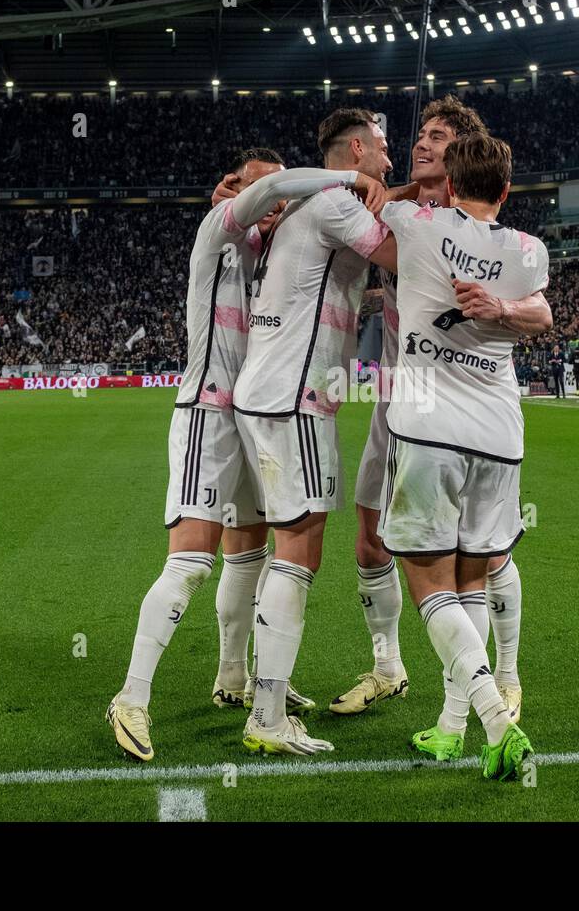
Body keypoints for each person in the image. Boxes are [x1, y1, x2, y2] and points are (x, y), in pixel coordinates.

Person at [105, 149, 389, 761]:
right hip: (207, 413)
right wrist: (349, 178)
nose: (276, 206)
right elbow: (276, 188)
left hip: (250, 416)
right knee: (190, 563)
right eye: (263, 193)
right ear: (232, 189)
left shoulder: (270, 254)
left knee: (249, 556)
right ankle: (131, 696)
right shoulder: (219, 231)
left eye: (280, 200)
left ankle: (234, 680)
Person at [331, 98, 545, 723]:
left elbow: (540, 312)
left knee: (485, 559)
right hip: (398, 400)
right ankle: (389, 667)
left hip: (453, 404)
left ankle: (503, 675)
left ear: (461, 159)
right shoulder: (408, 217)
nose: (422, 143)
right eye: (419, 135)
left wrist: (502, 310)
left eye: (439, 138)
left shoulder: (480, 232)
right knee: (371, 542)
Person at [230, 108, 399, 755]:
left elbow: (380, 213)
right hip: (296, 398)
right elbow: (396, 252)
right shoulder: (333, 202)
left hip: (268, 393)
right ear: (355, 149)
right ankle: (268, 717)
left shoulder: (315, 203)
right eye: (382, 150)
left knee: (284, 549)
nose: (390, 159)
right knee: (299, 550)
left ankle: (261, 687)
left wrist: (392, 196)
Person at [378, 131, 548, 779]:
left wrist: (404, 187)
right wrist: (501, 306)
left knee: (430, 586)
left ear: (449, 186)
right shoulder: (527, 250)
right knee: (471, 580)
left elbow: (371, 203)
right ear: (505, 192)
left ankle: (498, 724)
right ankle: (452, 728)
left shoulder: (416, 223)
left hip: (427, 426)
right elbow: (542, 312)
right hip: (501, 436)